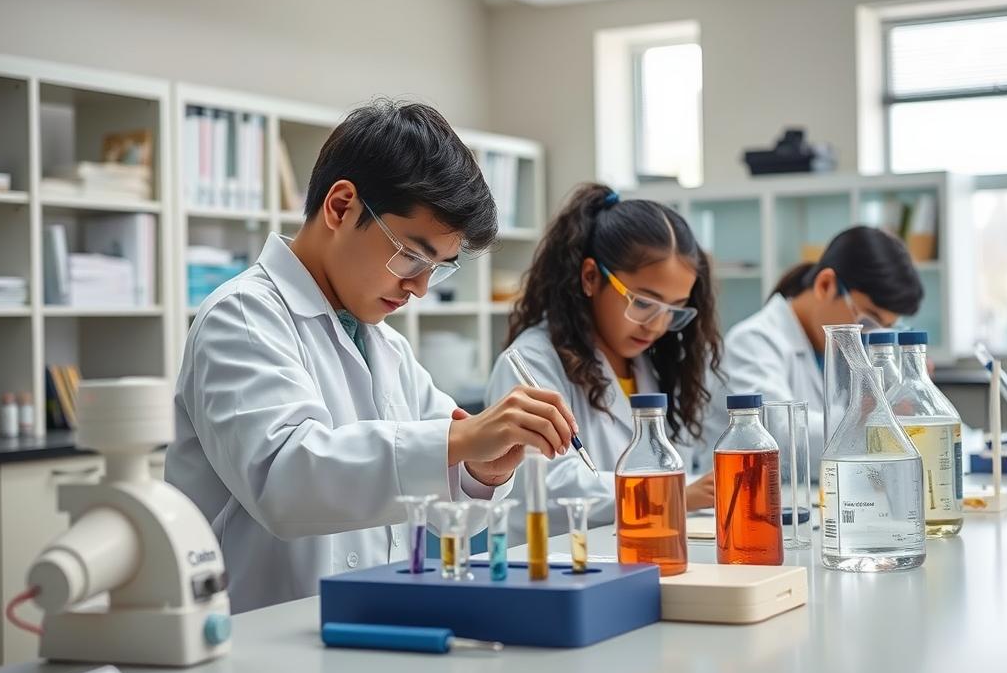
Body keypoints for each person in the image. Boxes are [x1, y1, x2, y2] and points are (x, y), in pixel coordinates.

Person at [166, 100, 578, 613]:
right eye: (412, 255)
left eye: (441, 268)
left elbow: (441, 508)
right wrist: (462, 436)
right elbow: (286, 481)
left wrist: (481, 471)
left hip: (359, 626)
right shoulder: (242, 316)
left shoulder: (386, 346)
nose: (422, 287)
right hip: (257, 632)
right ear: (341, 206)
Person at [485, 183, 722, 537]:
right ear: (591, 277)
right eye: (643, 303)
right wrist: (670, 493)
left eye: (674, 311)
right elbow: (549, 484)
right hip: (556, 565)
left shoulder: (653, 365)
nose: (658, 326)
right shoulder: (533, 361)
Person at [705, 226, 924, 468]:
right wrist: (867, 415)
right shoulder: (752, 342)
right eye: (868, 321)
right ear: (826, 285)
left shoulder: (840, 352)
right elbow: (781, 439)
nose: (870, 336)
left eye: (885, 327)